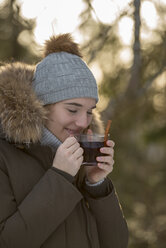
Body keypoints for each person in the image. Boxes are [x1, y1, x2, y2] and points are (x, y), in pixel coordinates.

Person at [0, 33, 128, 248]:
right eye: (72, 109)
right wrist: (60, 177)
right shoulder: (5, 155)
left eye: (89, 111)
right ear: (40, 105)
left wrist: (95, 183)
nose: (83, 122)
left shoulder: (80, 158)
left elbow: (116, 243)